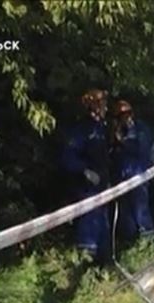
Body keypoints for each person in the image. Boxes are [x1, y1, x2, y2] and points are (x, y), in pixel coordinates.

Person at [60, 88, 112, 263]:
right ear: (94, 107)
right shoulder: (82, 129)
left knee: (103, 223)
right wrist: (85, 171)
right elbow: (68, 156)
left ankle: (104, 261)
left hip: (102, 186)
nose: (106, 108)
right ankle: (86, 263)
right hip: (87, 188)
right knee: (89, 223)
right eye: (103, 104)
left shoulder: (102, 128)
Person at [109, 99, 154, 241]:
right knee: (125, 210)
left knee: (141, 208)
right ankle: (129, 240)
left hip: (138, 174)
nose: (125, 117)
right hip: (122, 176)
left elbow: (142, 150)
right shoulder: (116, 131)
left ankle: (147, 238)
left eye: (127, 113)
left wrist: (123, 141)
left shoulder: (140, 129)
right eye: (121, 115)